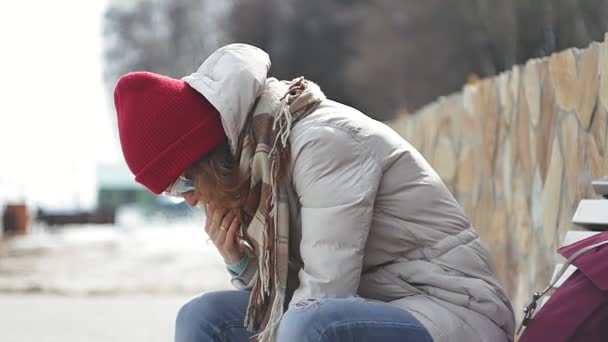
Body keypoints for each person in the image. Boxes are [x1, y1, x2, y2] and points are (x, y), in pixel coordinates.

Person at [113, 43, 515, 342]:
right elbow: (286, 297)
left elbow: (323, 296)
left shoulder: (321, 144)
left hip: (450, 312)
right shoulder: (260, 162)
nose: (189, 199)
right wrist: (240, 263)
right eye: (171, 192)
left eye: (183, 182)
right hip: (373, 307)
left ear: (205, 157)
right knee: (202, 318)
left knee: (309, 326)